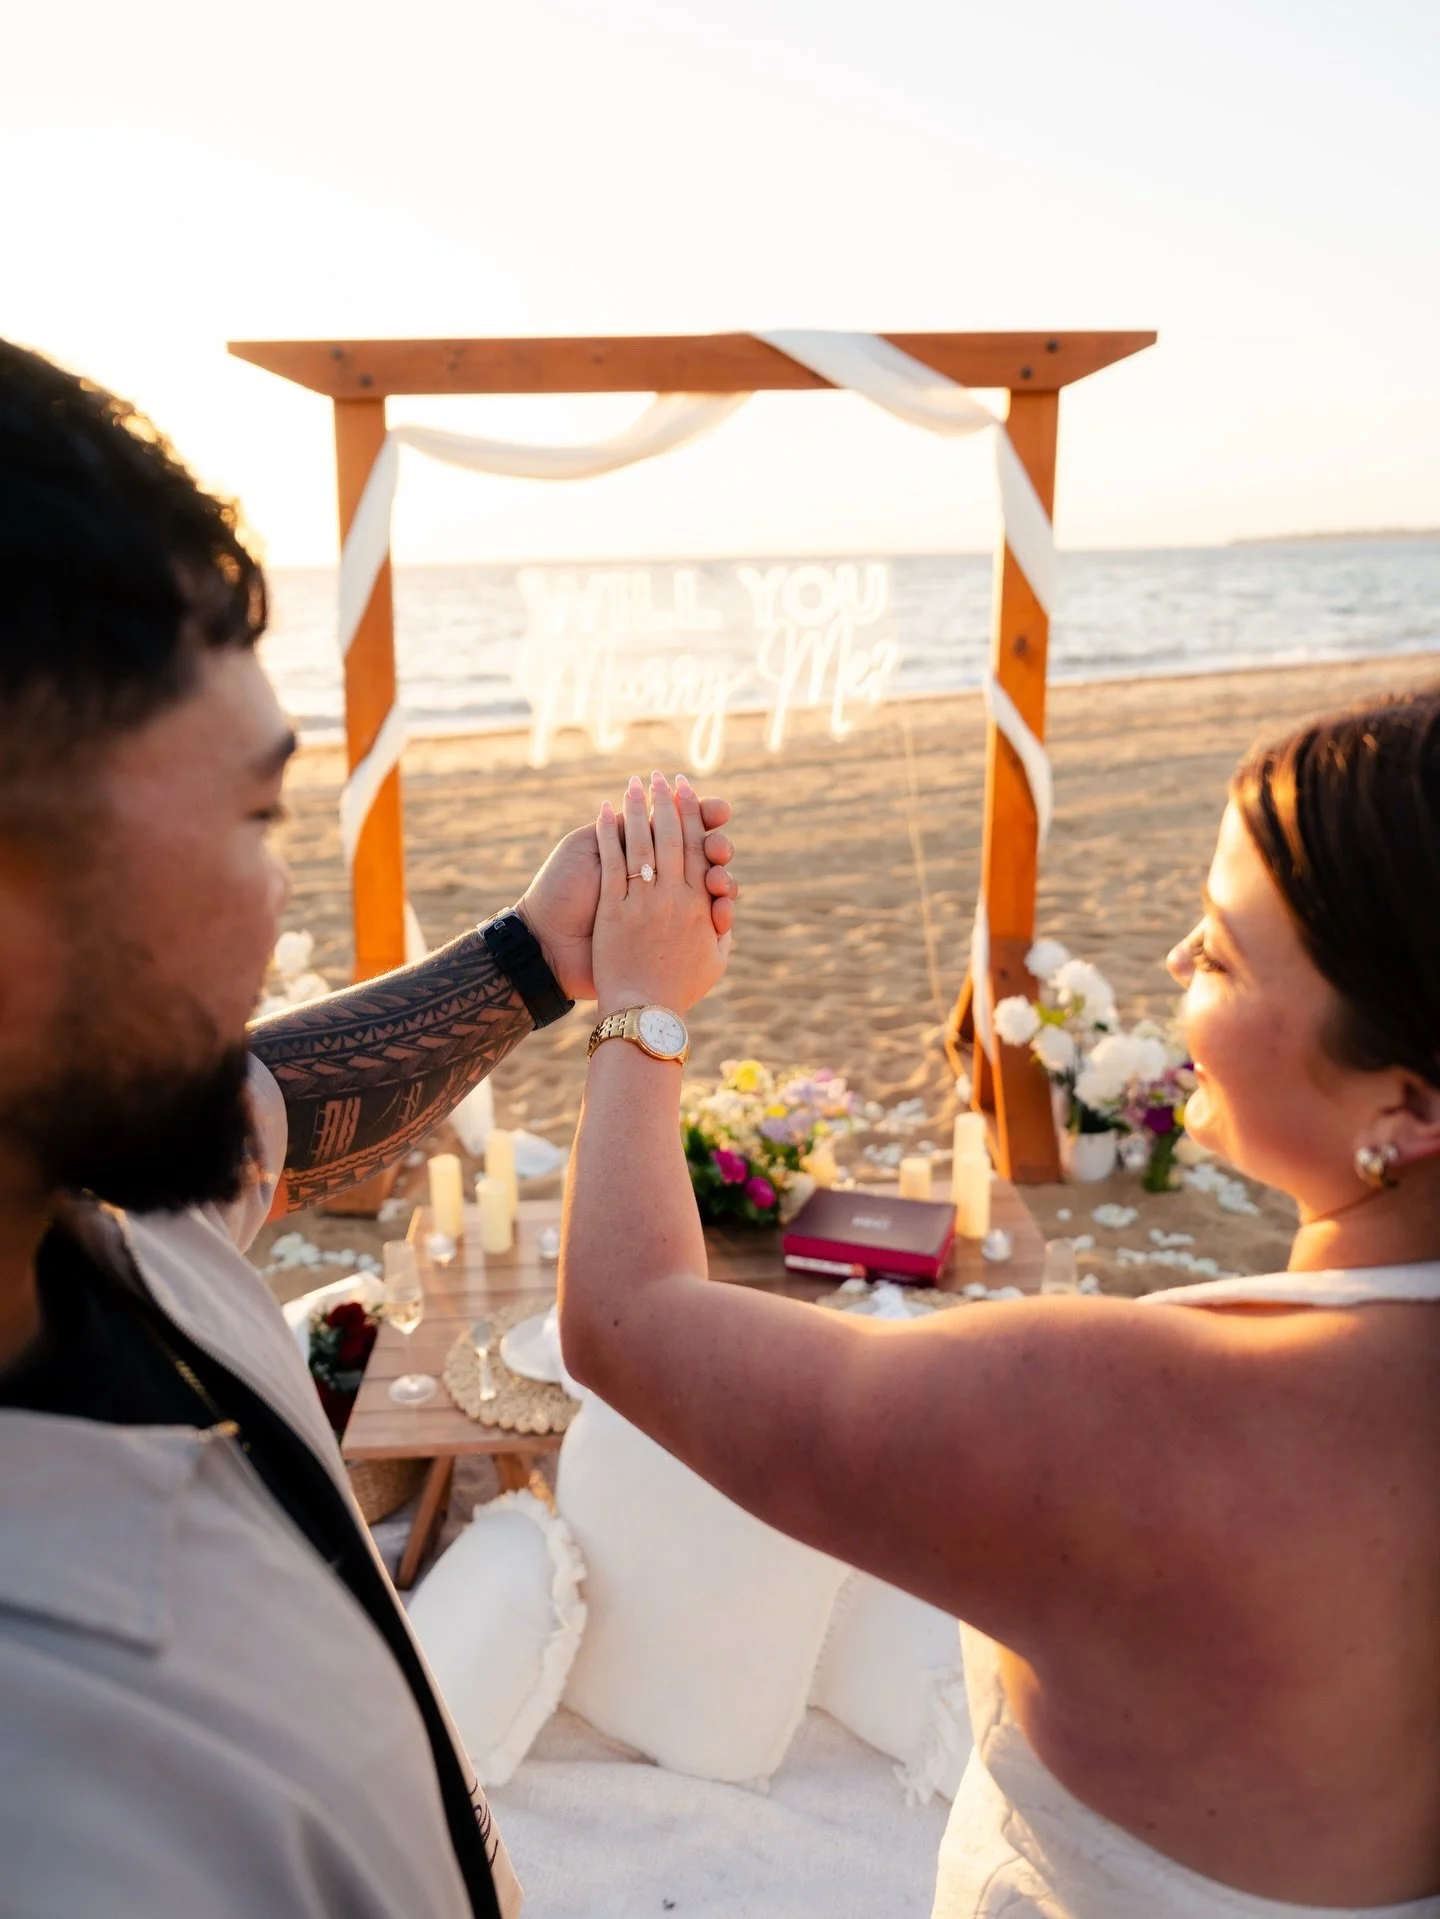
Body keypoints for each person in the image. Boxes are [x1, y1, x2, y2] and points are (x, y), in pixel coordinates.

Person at [0, 338, 738, 1918]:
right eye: (256, 821)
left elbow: (279, 1102)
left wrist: (536, 957)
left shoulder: (103, 1219)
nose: (276, 916)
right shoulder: (64, 1803)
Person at [560, 697, 1440, 1917]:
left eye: (1225, 951)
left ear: (1407, 1110)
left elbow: (626, 1317)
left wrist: (642, 997)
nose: (1179, 959)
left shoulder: (1125, 1417)